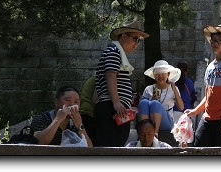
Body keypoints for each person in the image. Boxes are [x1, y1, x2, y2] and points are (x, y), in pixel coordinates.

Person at [94, 19, 148, 147]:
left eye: (139, 40)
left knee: (115, 145)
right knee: (111, 147)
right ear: (124, 36)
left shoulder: (115, 52)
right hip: (112, 108)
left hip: (114, 107)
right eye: (135, 39)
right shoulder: (114, 51)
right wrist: (116, 102)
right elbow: (111, 75)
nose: (136, 44)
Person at [185, 24, 221, 147]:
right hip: (208, 118)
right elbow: (209, 95)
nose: (215, 43)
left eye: (220, 40)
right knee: (198, 149)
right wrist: (195, 111)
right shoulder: (210, 66)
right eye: (213, 40)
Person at [138, 60, 184, 133]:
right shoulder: (149, 89)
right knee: (143, 102)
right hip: (150, 119)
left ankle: (155, 134)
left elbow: (181, 107)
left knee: (155, 104)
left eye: (163, 73)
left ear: (168, 74)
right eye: (158, 74)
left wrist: (174, 88)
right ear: (154, 75)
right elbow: (142, 107)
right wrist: (152, 100)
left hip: (167, 120)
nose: (160, 76)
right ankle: (143, 132)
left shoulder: (173, 89)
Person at [78, 73, 97, 145]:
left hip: (85, 113)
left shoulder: (93, 79)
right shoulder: (98, 79)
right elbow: (95, 100)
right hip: (88, 114)